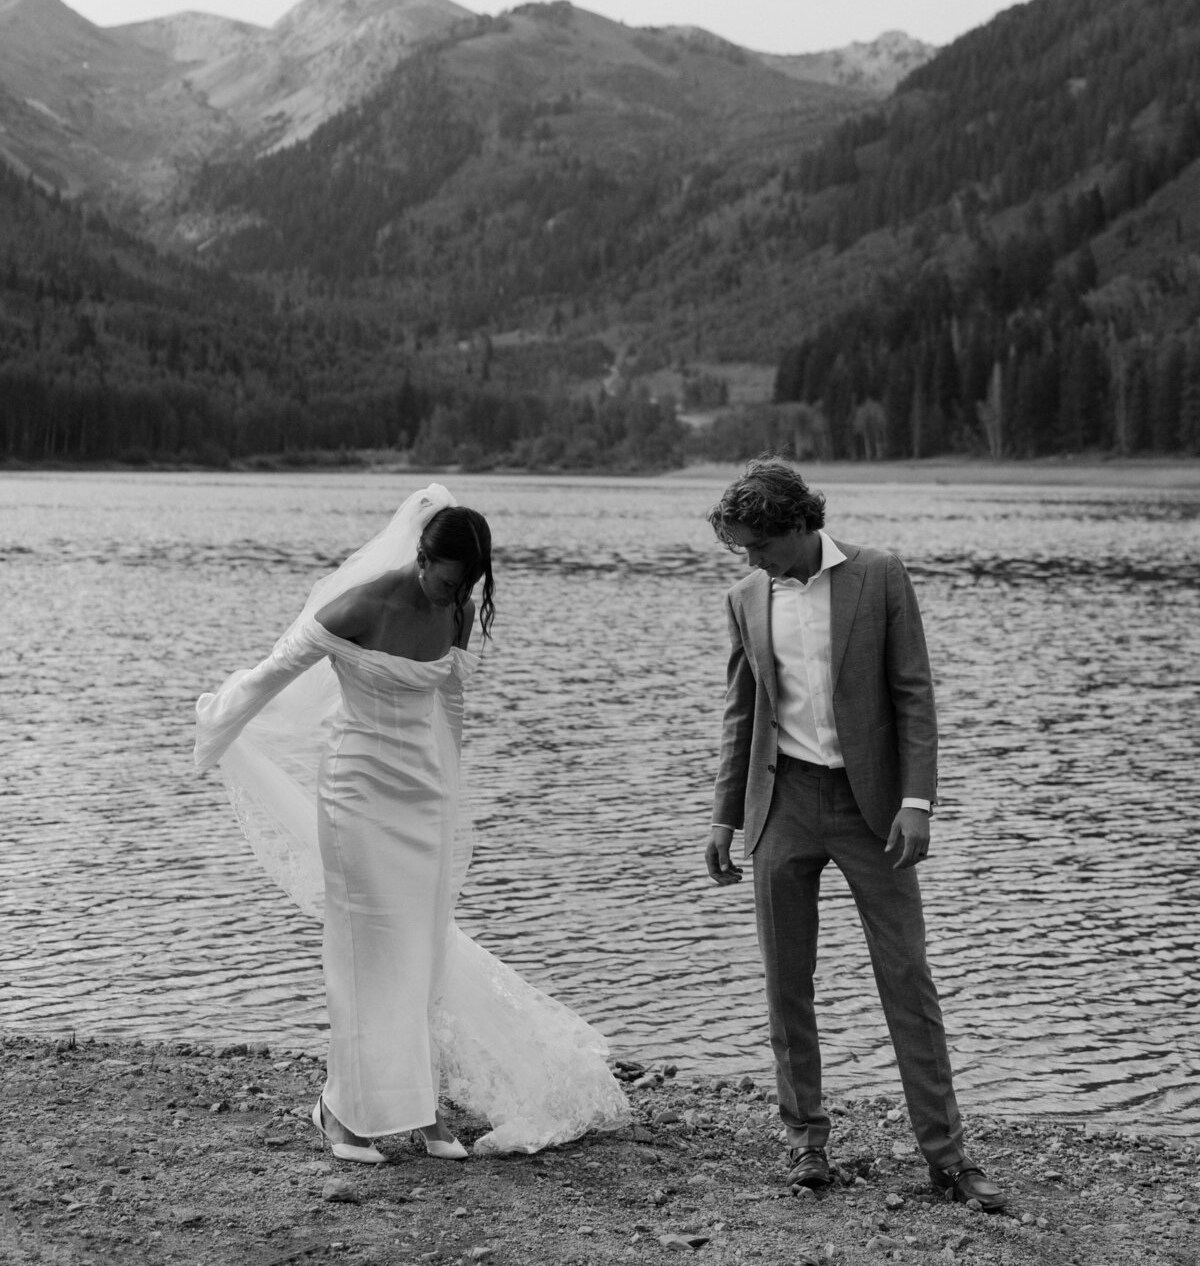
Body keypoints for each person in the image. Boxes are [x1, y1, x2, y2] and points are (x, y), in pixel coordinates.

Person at [195, 483, 629, 1160]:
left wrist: (450, 790)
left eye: (462, 586)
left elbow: (448, 704)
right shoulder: (360, 604)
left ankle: (421, 1113)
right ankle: (339, 1114)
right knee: (365, 955)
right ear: (421, 555)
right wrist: (217, 726)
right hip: (357, 795)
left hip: (421, 799)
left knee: (421, 956)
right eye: (442, 578)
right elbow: (274, 671)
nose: (446, 594)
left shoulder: (454, 610)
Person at [704, 457, 1006, 1213]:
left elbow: (915, 693)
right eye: (741, 549)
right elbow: (742, 713)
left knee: (907, 978)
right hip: (782, 805)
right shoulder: (745, 597)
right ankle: (806, 1144)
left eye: (758, 546)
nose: (751, 560)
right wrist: (723, 816)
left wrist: (918, 802)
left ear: (798, 525)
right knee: (787, 985)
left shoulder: (880, 576)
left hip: (873, 809)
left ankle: (945, 1157)